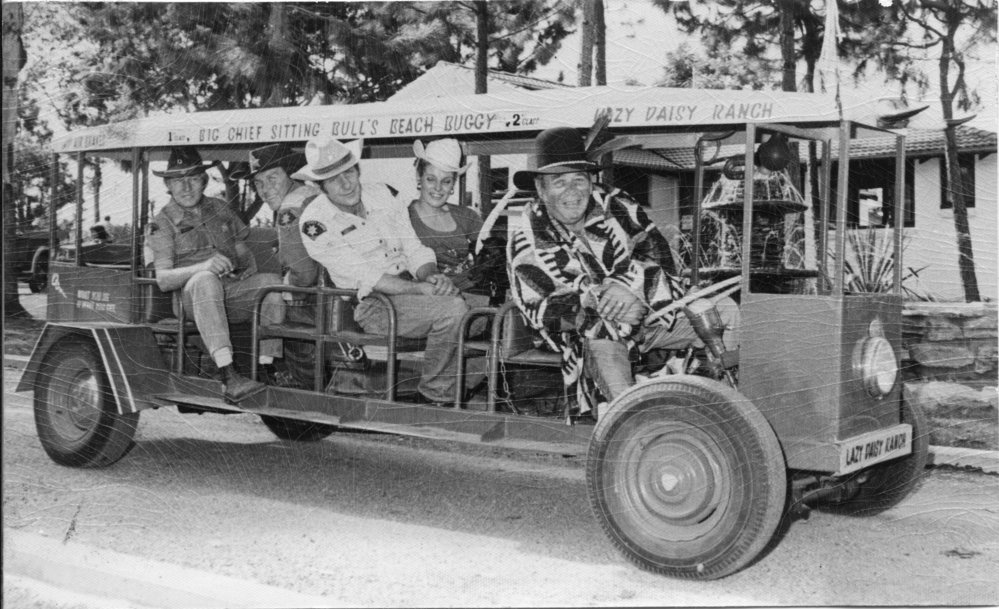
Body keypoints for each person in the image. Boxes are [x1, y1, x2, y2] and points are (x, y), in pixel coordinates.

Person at [506, 127, 740, 413]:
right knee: (602, 329)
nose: (572, 191)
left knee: (723, 310)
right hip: (584, 333)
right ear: (541, 189)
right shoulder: (526, 236)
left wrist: (631, 286)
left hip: (648, 311)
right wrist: (600, 302)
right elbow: (544, 310)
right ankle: (628, 421)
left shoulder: (617, 204)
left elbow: (659, 256)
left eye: (579, 180)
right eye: (559, 181)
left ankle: (723, 403)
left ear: (591, 181)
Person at [296, 136, 475, 406]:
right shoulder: (316, 222)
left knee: (486, 316)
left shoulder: (381, 193)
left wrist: (431, 275)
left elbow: (413, 247)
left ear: (357, 170)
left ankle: (464, 389)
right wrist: (419, 288)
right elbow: (368, 275)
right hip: (375, 305)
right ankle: (436, 398)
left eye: (349, 173)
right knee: (454, 311)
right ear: (321, 187)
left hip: (412, 294)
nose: (346, 184)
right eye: (334, 180)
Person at [146, 147, 286, 402]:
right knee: (205, 280)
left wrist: (247, 270)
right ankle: (228, 374)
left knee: (272, 284)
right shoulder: (162, 223)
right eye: (178, 180)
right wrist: (203, 267)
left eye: (193, 178)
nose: (186, 187)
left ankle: (267, 367)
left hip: (230, 291)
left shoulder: (220, 208)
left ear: (204, 180)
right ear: (168, 184)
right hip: (191, 299)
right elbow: (163, 279)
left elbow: (242, 249)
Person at [407, 138, 488, 306]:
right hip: (430, 300)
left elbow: (491, 252)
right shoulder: (403, 218)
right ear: (418, 177)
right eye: (431, 179)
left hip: (473, 293)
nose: (438, 188)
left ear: (453, 184)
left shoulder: (467, 216)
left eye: (446, 181)